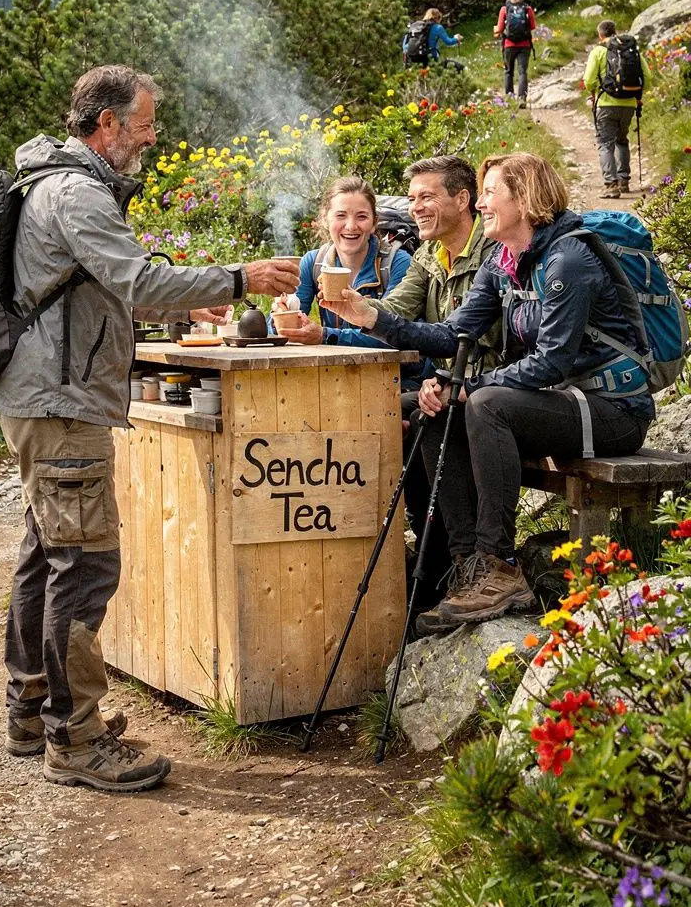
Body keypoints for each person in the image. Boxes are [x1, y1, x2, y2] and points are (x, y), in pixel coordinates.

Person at [0, 65, 299, 792]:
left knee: (46, 554)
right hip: (62, 404)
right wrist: (237, 278)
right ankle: (76, 740)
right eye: (146, 123)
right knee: (86, 566)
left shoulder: (57, 185)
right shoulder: (78, 192)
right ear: (108, 125)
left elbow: (100, 287)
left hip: (41, 397)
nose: (153, 137)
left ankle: (31, 711)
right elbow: (138, 282)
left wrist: (179, 303)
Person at [320, 152, 654, 627]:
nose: (481, 204)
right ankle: (465, 568)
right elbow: (451, 333)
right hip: (558, 402)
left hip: (614, 411)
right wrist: (370, 317)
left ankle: (500, 566)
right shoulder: (503, 261)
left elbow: (551, 362)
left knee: (484, 402)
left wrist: (467, 385)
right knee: (427, 407)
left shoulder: (569, 260)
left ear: (526, 198)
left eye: (491, 193)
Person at [367, 157, 501, 616]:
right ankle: (432, 547)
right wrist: (346, 311)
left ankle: (461, 559)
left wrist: (449, 383)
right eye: (412, 199)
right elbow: (396, 311)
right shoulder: (429, 255)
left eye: (427, 197)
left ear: (462, 200)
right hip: (453, 383)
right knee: (385, 411)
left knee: (426, 415)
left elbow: (485, 340)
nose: (416, 208)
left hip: (493, 388)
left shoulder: (493, 251)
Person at [279, 176, 412, 346]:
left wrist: (326, 335)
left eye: (361, 217)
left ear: (374, 223)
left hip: (395, 371)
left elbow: (395, 333)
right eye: (341, 215)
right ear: (326, 220)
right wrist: (281, 318)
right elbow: (284, 328)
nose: (351, 226)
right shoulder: (313, 262)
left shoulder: (397, 263)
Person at [583, 20, 650, 199]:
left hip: (605, 104)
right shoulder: (630, 50)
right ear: (615, 32)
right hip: (629, 104)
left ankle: (611, 185)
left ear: (600, 35)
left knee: (605, 143)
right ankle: (624, 181)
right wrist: (637, 97)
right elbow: (647, 76)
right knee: (622, 139)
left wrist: (596, 90)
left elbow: (588, 79)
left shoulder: (598, 51)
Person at [494, 0, 535, 106]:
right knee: (522, 73)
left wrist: (497, 30)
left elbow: (500, 28)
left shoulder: (504, 9)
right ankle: (522, 100)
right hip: (525, 45)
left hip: (509, 45)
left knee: (508, 71)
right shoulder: (528, 9)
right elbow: (532, 26)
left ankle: (509, 100)